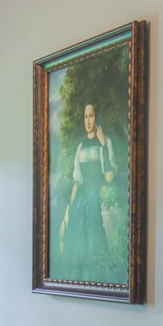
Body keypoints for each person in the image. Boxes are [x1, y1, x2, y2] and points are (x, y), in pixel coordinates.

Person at [58, 102, 115, 276]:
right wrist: (70, 207)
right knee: (76, 242)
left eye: (91, 116)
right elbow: (78, 181)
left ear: (97, 118)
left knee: (94, 239)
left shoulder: (106, 143)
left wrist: (103, 143)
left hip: (96, 196)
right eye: (85, 116)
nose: (88, 120)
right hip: (81, 200)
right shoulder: (80, 147)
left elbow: (109, 177)